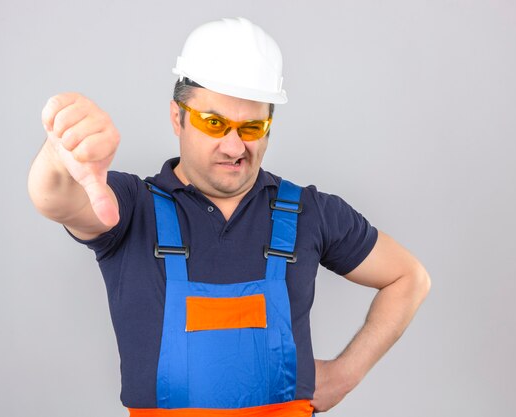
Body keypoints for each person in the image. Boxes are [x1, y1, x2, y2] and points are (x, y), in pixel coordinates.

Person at [28, 17, 430, 417]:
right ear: (177, 117)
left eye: (252, 127)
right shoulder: (133, 208)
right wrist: (58, 153)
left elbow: (409, 277)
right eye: (215, 123)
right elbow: (56, 198)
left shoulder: (310, 212)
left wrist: (345, 374)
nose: (235, 146)